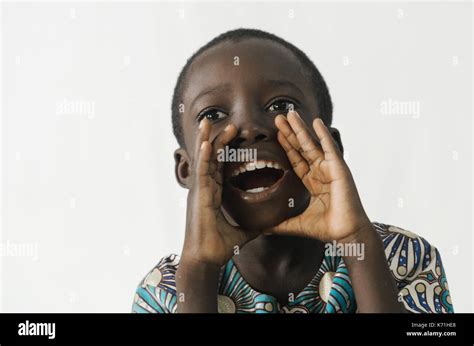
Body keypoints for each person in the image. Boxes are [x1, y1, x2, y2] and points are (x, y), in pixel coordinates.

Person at [132, 28, 453, 313]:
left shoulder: (407, 258)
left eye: (280, 106)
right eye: (213, 113)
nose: (248, 128)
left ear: (331, 147)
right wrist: (199, 270)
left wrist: (358, 241)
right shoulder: (162, 292)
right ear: (186, 169)